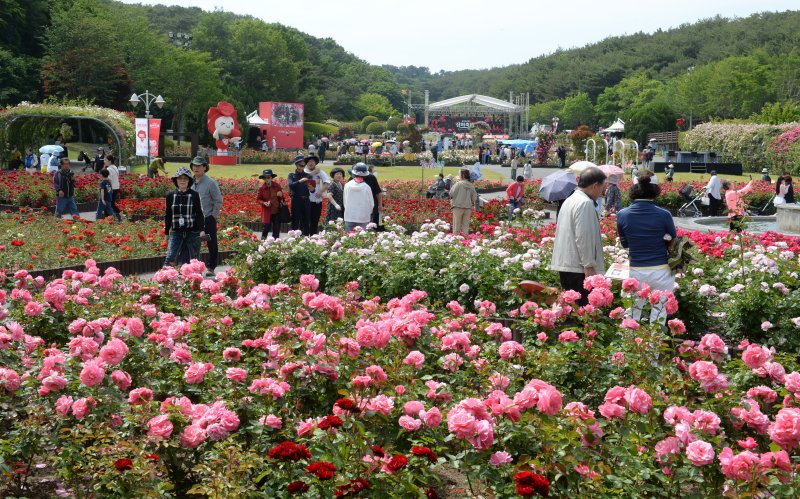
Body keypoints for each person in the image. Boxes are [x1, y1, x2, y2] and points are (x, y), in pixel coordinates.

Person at [616, 170, 676, 324]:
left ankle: (628, 342)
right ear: (654, 193)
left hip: (637, 269)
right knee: (659, 311)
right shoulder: (664, 214)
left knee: (633, 310)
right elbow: (672, 238)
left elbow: (625, 243)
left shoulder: (623, 214)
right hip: (661, 269)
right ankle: (654, 345)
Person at [549, 167, 607, 306]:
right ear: (594, 186)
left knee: (571, 308)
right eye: (602, 188)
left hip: (567, 264)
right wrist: (589, 265)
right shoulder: (585, 203)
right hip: (578, 267)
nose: (602, 193)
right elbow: (584, 237)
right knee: (582, 311)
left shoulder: (570, 199)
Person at [164, 167, 205, 267]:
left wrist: (201, 230)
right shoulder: (170, 195)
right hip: (176, 231)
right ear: (176, 180)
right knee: (170, 256)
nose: (182, 181)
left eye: (185, 179)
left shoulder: (194, 195)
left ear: (189, 181)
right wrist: (166, 232)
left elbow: (199, 213)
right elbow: (168, 214)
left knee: (195, 257)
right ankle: (165, 278)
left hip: (192, 231)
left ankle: (196, 279)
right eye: (180, 178)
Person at [190, 156, 223, 276]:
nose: (196, 168)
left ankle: (211, 267)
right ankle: (194, 267)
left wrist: (212, 216)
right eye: (194, 165)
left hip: (207, 218)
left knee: (211, 242)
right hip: (193, 219)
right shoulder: (190, 182)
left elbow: (218, 200)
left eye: (199, 166)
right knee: (193, 243)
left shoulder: (210, 183)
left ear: (205, 167)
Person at [343, 163, 374, 231]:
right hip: (363, 217)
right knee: (362, 238)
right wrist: (368, 213)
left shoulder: (347, 185)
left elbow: (345, 201)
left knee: (348, 238)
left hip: (349, 215)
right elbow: (371, 204)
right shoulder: (367, 187)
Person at [304, 155, 330, 235]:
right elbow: (303, 180)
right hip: (306, 201)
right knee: (306, 221)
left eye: (312, 161)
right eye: (309, 161)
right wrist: (313, 174)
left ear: (315, 163)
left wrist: (320, 192)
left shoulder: (320, 172)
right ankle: (304, 237)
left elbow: (327, 182)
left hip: (317, 201)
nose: (311, 163)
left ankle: (313, 238)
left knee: (315, 221)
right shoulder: (304, 171)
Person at [256, 169, 284, 240]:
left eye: (268, 177)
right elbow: (258, 199)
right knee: (266, 229)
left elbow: (282, 199)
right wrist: (264, 203)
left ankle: (276, 245)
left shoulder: (277, 186)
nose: (267, 179)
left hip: (276, 211)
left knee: (276, 230)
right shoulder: (262, 188)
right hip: (267, 212)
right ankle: (262, 243)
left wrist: (281, 195)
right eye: (265, 178)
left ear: (271, 178)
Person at [287, 155, 312, 235]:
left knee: (306, 220)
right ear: (296, 164)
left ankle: (306, 238)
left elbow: (312, 190)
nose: (302, 165)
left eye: (303, 164)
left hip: (306, 199)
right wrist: (300, 181)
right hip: (296, 200)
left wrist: (312, 188)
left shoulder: (308, 175)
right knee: (295, 219)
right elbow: (291, 185)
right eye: (300, 164)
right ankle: (294, 238)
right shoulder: (292, 175)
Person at [449, 168, 478, 235]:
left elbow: (451, 193)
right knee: (465, 226)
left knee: (457, 226)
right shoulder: (471, 185)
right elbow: (474, 197)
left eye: (459, 174)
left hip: (458, 207)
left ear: (463, 175)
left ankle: (456, 240)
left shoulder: (458, 184)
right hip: (467, 207)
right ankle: (465, 241)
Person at [362, 163, 383, 227]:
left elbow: (378, 192)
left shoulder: (372, 178)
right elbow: (378, 193)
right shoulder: (371, 177)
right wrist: (380, 204)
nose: (376, 172)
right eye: (374, 171)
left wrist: (380, 204)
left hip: (372, 204)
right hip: (367, 204)